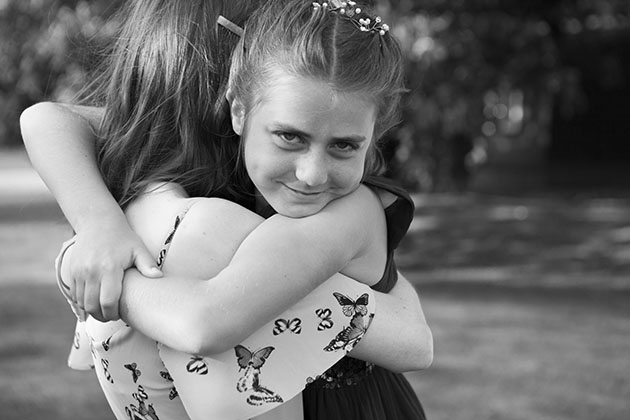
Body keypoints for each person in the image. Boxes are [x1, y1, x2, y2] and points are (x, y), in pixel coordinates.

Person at [21, 0, 432, 419]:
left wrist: (90, 273)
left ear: (373, 134)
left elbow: (205, 323)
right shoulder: (209, 184)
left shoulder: (348, 213)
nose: (312, 173)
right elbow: (47, 119)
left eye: (344, 145)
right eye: (289, 136)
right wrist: (99, 226)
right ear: (239, 110)